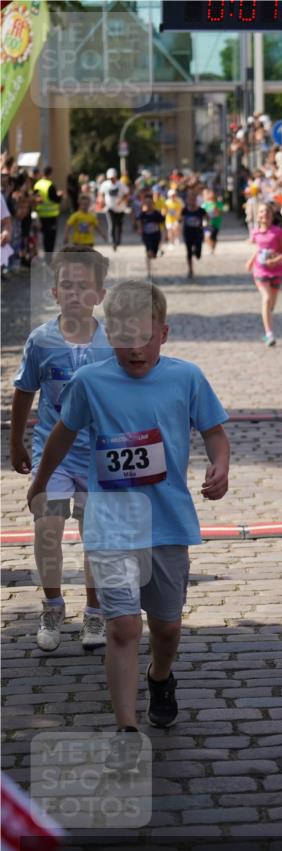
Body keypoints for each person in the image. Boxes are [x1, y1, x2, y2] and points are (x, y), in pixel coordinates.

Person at [27, 280, 231, 772]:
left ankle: (160, 676)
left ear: (164, 332)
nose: (134, 348)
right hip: (111, 523)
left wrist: (219, 465)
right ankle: (126, 726)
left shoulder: (187, 378)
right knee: (122, 627)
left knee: (165, 627)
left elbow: (215, 432)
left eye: (144, 337)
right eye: (122, 337)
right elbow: (61, 435)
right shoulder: (91, 383)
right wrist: (41, 481)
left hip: (167, 522)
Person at [11, 246, 112, 652]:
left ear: (100, 295)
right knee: (48, 529)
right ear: (54, 292)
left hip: (98, 456)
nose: (75, 294)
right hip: (53, 453)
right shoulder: (42, 340)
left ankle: (94, 612)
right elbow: (24, 390)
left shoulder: (113, 343)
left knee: (95, 537)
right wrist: (16, 439)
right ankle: (52, 605)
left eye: (83, 287)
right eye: (67, 286)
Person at [246, 202, 282, 347]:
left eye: (267, 212)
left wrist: (276, 260)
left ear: (271, 216)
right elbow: (258, 249)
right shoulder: (255, 233)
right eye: (262, 212)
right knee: (266, 298)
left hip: (276, 271)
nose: (265, 215)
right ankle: (269, 333)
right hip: (260, 270)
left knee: (271, 304)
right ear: (258, 216)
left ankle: (267, 318)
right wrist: (251, 261)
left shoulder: (278, 232)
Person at [33, 166, 62, 255]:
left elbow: (35, 197)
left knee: (44, 237)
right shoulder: (50, 185)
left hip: (41, 214)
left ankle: (45, 256)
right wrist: (60, 195)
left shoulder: (37, 184)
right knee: (50, 239)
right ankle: (48, 258)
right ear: (50, 173)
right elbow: (56, 199)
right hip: (51, 215)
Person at [99, 168, 129, 251]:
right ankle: (113, 242)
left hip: (120, 208)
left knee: (119, 224)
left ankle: (118, 240)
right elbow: (101, 193)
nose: (112, 179)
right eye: (110, 178)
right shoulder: (105, 184)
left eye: (113, 177)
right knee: (112, 224)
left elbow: (127, 194)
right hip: (110, 207)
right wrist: (101, 200)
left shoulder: (121, 184)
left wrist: (122, 200)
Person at [181, 188, 208, 279]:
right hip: (188, 233)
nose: (191, 201)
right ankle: (190, 270)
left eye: (193, 199)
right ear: (187, 200)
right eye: (190, 199)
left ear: (196, 199)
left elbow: (207, 218)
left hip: (198, 233)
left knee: (198, 255)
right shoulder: (184, 210)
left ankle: (196, 252)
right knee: (188, 252)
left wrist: (205, 224)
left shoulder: (200, 210)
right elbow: (179, 219)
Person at [138, 192, 165, 277]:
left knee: (153, 255)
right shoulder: (143, 214)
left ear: (153, 204)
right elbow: (139, 222)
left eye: (150, 203)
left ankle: (155, 253)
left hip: (156, 235)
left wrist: (165, 234)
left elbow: (162, 223)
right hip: (147, 236)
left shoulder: (157, 213)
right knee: (148, 252)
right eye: (147, 203)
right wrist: (140, 229)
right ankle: (148, 272)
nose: (149, 205)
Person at [202, 187, 224, 254]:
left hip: (216, 223)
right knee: (207, 236)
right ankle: (211, 248)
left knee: (213, 237)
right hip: (207, 223)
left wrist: (215, 206)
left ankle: (213, 248)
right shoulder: (205, 204)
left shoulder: (219, 204)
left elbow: (219, 214)